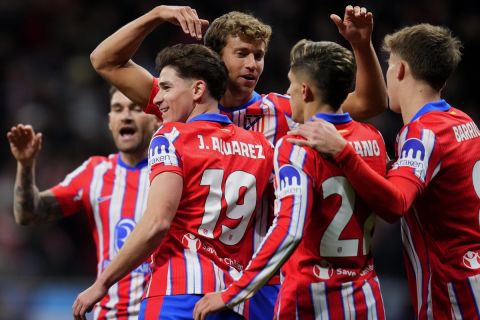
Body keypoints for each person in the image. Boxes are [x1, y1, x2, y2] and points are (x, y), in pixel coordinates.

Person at [88, 5, 387, 318]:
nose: (252, 65)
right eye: (242, 53)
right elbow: (104, 60)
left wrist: (362, 45)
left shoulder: (285, 111)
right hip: (194, 272)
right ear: (216, 57)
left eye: (258, 56)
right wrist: (157, 14)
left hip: (264, 279)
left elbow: (370, 103)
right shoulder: (182, 100)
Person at [288, 23, 480, 319]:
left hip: (454, 289)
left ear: (400, 70)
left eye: (389, 66)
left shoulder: (421, 134)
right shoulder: (463, 121)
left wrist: (343, 151)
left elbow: (395, 205)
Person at [73, 43, 274, 320]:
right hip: (233, 300)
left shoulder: (171, 137)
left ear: (197, 90)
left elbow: (157, 222)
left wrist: (102, 283)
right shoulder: (261, 147)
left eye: (166, 88)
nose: (156, 99)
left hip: (175, 295)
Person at [193, 38, 388, 320]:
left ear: (305, 90)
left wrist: (234, 292)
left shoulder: (296, 145)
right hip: (365, 298)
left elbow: (290, 229)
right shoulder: (373, 138)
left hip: (308, 300)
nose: (288, 92)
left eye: (291, 84)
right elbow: (393, 205)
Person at [7, 88, 160, 319]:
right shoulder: (95, 172)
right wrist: (25, 165)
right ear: (110, 121)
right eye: (118, 109)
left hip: (161, 312)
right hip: (109, 313)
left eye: (136, 109)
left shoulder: (170, 173)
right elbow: (28, 214)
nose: (126, 116)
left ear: (156, 119)